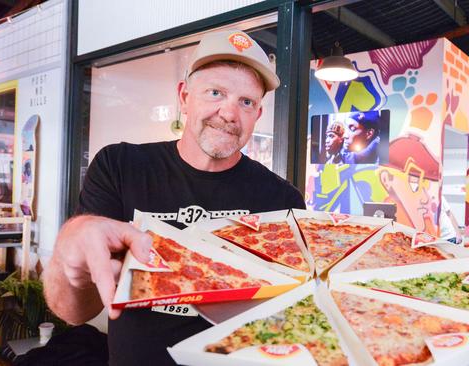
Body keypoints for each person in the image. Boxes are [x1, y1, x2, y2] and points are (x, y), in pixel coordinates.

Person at [42, 29, 305, 365]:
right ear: (184, 97)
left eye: (246, 102)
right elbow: (74, 313)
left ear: (258, 115)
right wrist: (69, 251)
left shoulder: (284, 201)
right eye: (215, 92)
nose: (229, 113)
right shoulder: (119, 166)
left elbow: (286, 325)